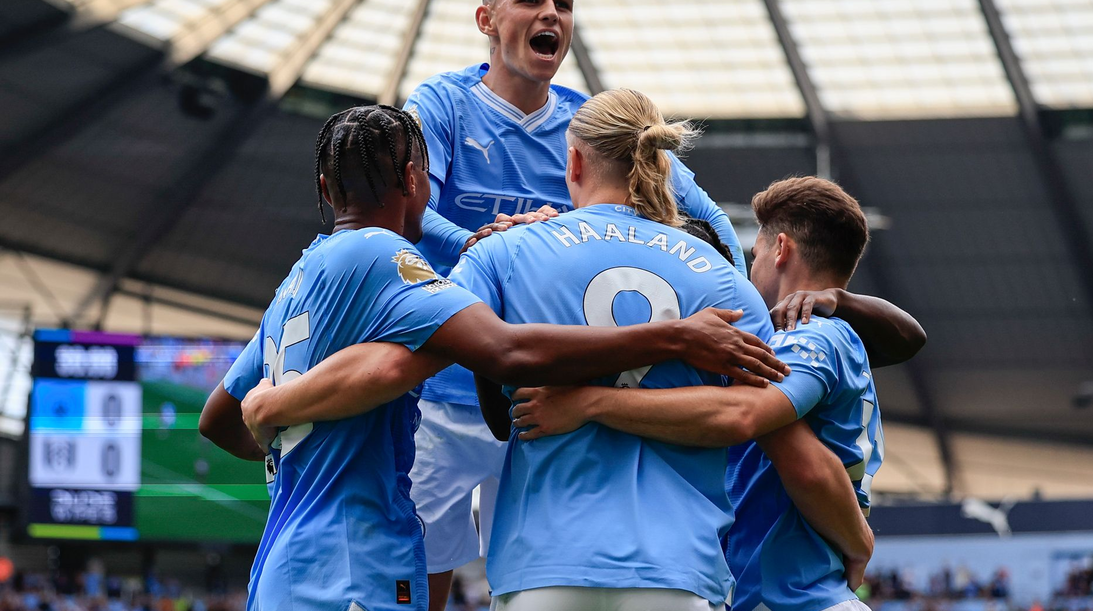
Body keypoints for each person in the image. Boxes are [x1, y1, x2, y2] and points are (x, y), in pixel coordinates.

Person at [401, 0, 924, 608]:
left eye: (563, 3)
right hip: (653, 545)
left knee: (435, 558)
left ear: (576, 161)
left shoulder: (570, 144)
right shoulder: (443, 105)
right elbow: (414, 209)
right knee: (424, 559)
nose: (551, 14)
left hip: (525, 442)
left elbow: (702, 216)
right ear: (487, 19)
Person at [196, 104, 787, 611]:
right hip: (359, 555)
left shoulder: (301, 276)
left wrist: (298, 440)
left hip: (289, 560)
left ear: (326, 190)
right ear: (415, 179)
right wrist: (675, 337)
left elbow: (219, 420)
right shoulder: (387, 257)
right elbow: (505, 350)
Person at [511, 176, 887, 611]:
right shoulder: (835, 336)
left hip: (798, 599)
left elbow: (768, 434)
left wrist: (588, 403)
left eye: (756, 253)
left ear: (780, 249)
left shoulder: (808, 336)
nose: (752, 268)